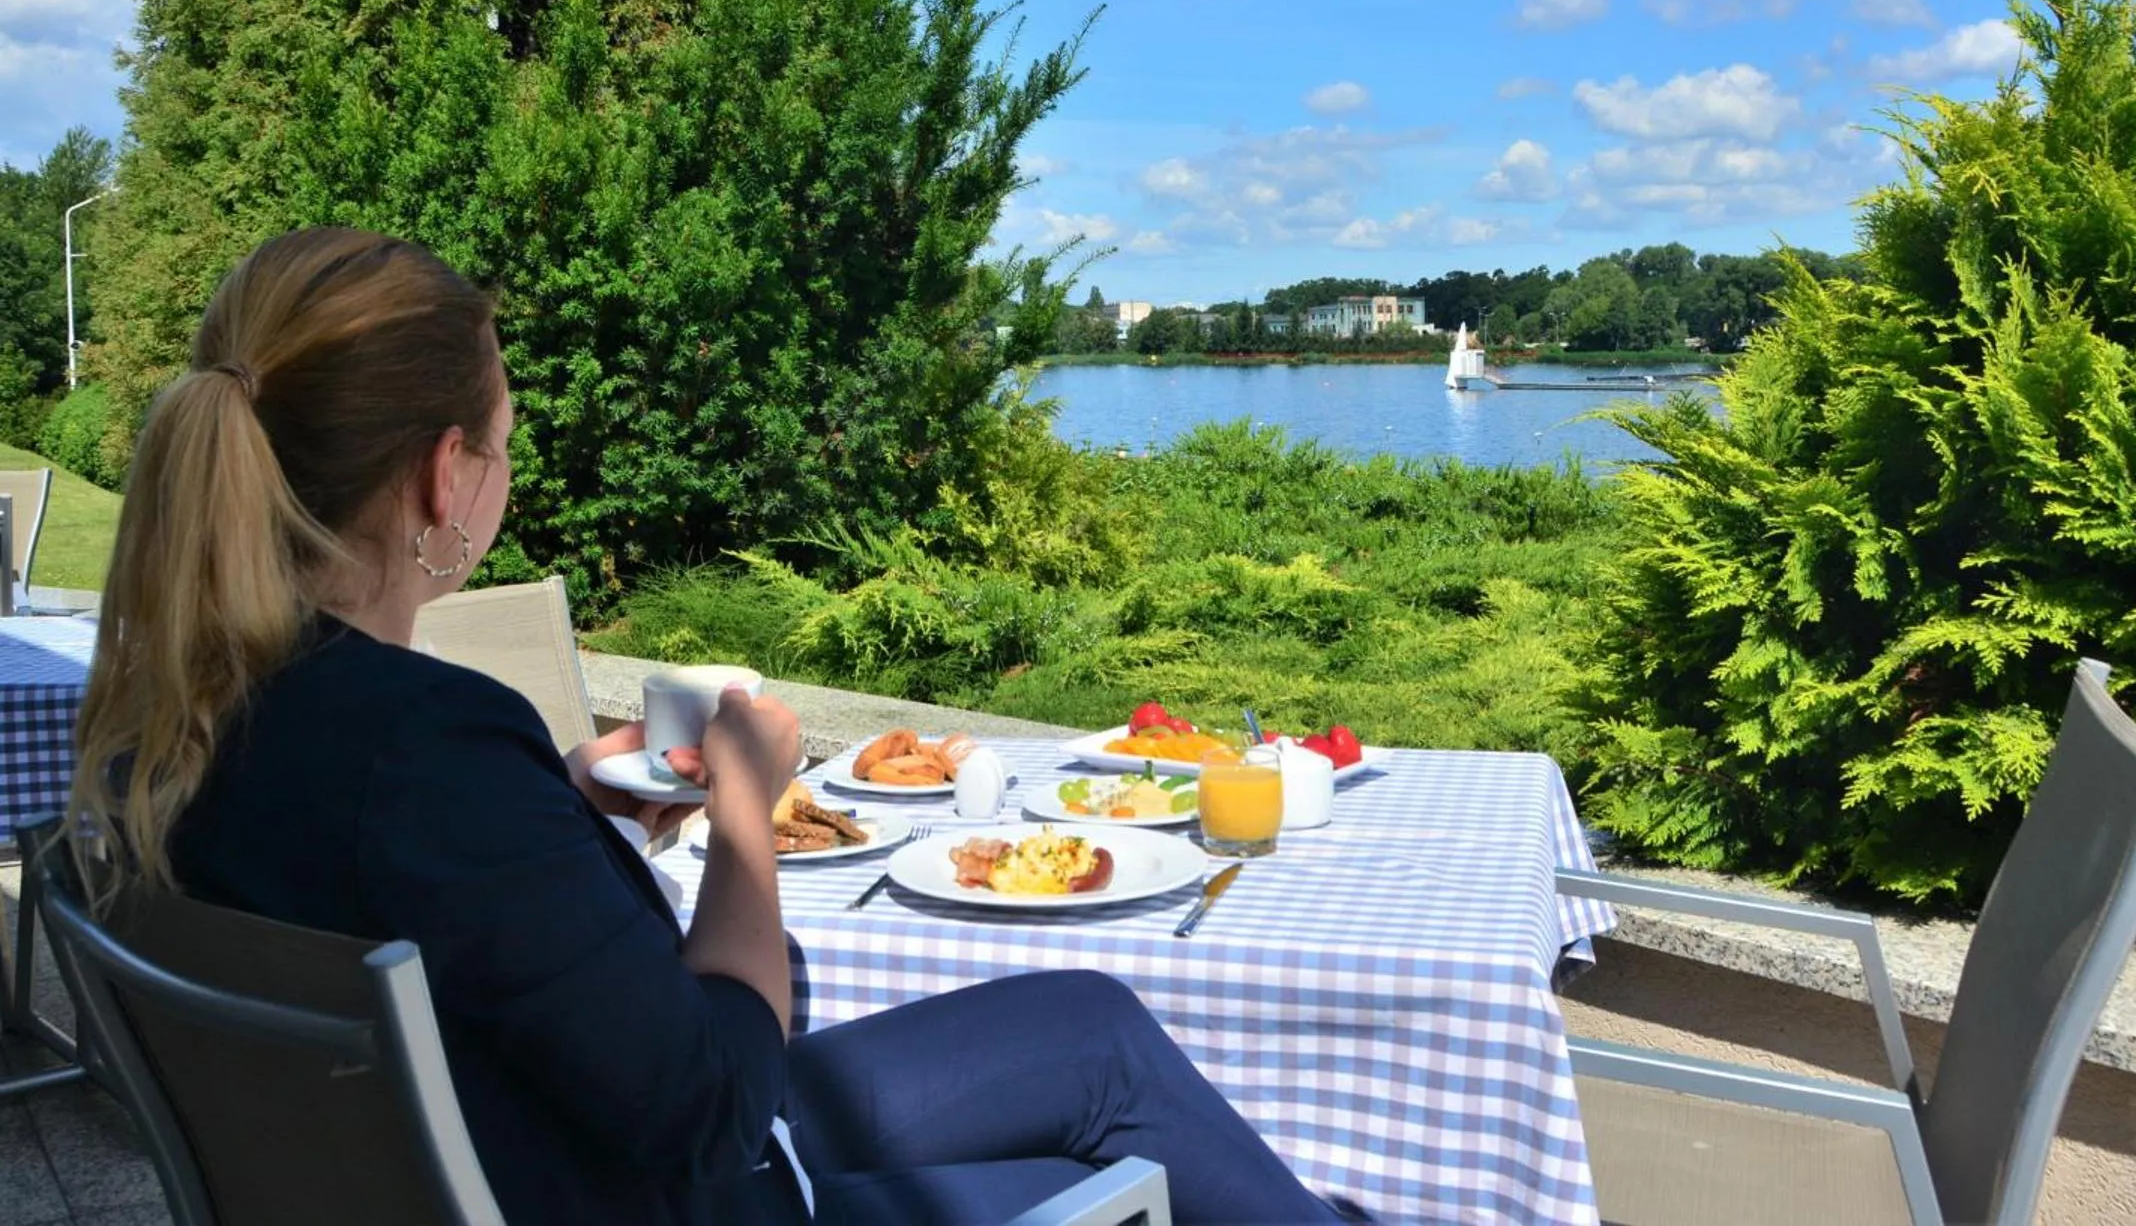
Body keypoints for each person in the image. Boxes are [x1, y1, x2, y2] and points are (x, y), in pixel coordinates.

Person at [70, 228, 1338, 1226]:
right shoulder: (424, 747)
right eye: (507, 441)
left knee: (1091, 1024)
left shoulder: (177, 721)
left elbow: (411, 891)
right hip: (670, 1184)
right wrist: (745, 812)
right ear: (439, 479)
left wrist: (559, 799)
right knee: (1108, 1069)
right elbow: (717, 1104)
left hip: (529, 1160)